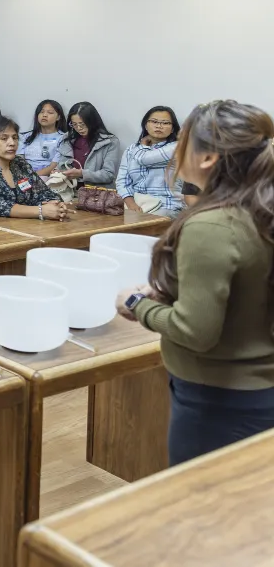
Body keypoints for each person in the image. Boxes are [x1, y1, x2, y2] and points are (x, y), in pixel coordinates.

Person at [117, 100, 274, 466]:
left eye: (182, 138)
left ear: (206, 159)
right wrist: (173, 294)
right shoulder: (260, 209)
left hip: (218, 400)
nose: (176, 148)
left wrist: (137, 304)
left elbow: (195, 331)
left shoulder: (211, 226)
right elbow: (247, 290)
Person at [0, 115, 71, 220]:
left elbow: (44, 193)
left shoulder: (20, 164)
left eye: (15, 137)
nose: (12, 143)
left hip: (18, 226)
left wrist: (56, 204)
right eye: (4, 138)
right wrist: (41, 211)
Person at [116, 106, 186, 217]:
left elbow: (144, 159)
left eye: (165, 123)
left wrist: (143, 145)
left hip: (166, 206)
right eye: (154, 121)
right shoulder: (131, 149)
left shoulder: (177, 148)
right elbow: (122, 182)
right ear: (145, 125)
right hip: (136, 204)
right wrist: (131, 205)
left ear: (173, 128)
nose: (159, 126)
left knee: (142, 226)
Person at [56, 101, 122, 188]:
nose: (79, 128)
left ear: (92, 122)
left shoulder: (110, 142)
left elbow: (108, 175)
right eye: (74, 124)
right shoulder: (67, 139)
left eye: (82, 124)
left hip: (96, 194)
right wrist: (58, 171)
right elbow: (62, 164)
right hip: (69, 190)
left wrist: (82, 174)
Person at [19, 100, 67, 177]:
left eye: (50, 112)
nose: (44, 115)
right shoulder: (26, 136)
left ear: (58, 117)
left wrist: (32, 177)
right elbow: (19, 160)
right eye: (41, 112)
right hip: (24, 176)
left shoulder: (63, 138)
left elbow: (53, 166)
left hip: (48, 177)